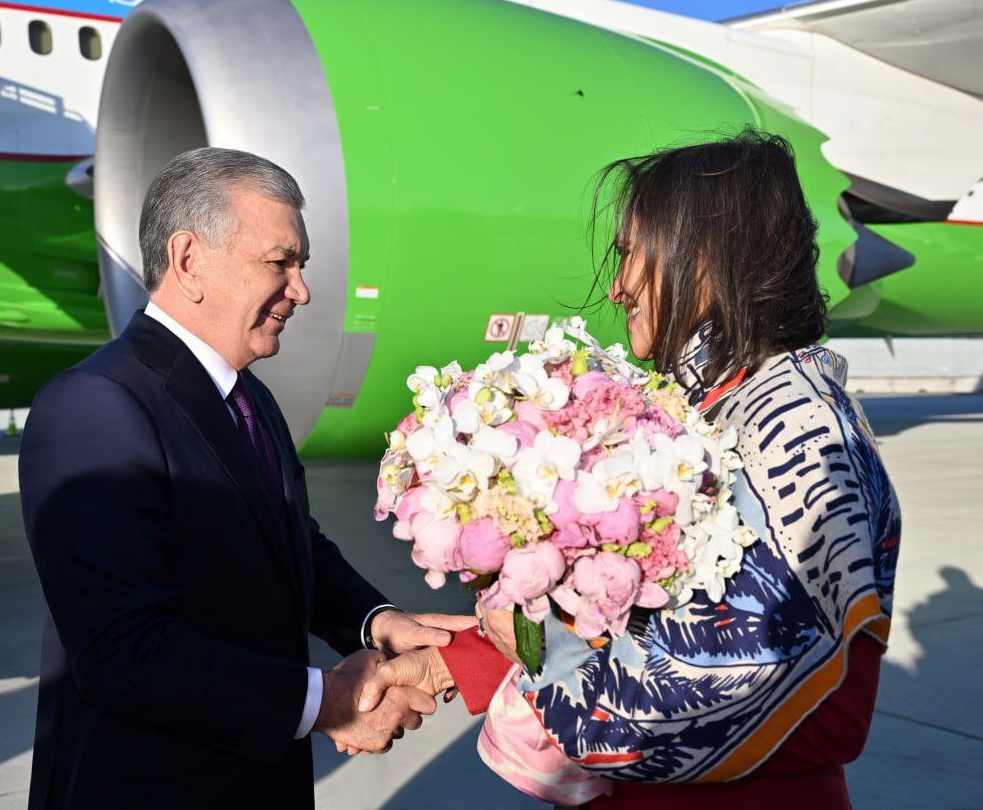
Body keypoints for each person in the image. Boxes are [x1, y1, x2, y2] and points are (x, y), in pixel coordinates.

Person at [372, 130, 902, 807]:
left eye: (630, 255)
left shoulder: (798, 430)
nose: (618, 285)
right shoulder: (716, 400)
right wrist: (457, 657)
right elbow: (653, 615)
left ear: (704, 256)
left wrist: (541, 653)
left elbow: (731, 694)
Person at [19, 148, 472, 808]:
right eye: (279, 262)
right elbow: (123, 652)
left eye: (301, 265)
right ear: (189, 260)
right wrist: (331, 699)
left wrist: (377, 622)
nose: (301, 289)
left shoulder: (248, 396)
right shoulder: (96, 403)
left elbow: (292, 547)